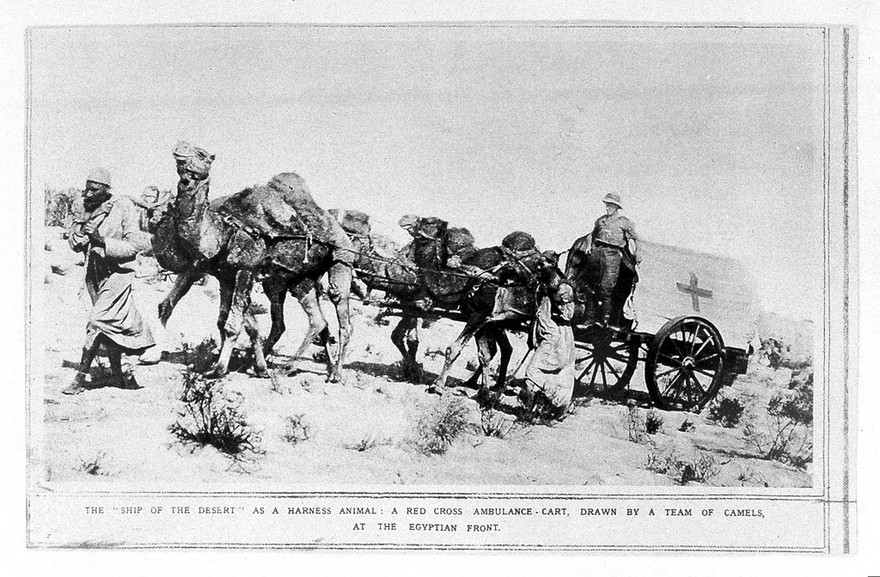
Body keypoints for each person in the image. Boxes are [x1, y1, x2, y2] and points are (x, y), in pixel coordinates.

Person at [62, 168, 156, 395]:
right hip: (94, 275)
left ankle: (80, 379)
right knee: (108, 327)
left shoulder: (123, 206)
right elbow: (74, 243)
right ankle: (120, 376)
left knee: (96, 322)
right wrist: (90, 221)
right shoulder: (84, 207)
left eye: (94, 189)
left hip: (118, 274)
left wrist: (101, 240)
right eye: (87, 188)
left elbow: (133, 246)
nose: (89, 193)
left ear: (106, 190)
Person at [567, 192, 640, 326]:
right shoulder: (600, 220)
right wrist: (589, 245)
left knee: (606, 288)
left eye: (611, 206)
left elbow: (635, 238)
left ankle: (604, 322)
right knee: (590, 287)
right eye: (607, 205)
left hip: (612, 255)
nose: (608, 208)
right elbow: (592, 234)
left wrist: (638, 253)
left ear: (616, 207)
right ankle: (589, 319)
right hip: (596, 253)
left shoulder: (624, 222)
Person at [519, 273, 577, 421]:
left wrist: (553, 293)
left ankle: (531, 411)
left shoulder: (563, 289)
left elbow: (565, 305)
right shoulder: (545, 292)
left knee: (533, 371)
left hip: (556, 339)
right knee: (559, 375)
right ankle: (549, 409)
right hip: (557, 337)